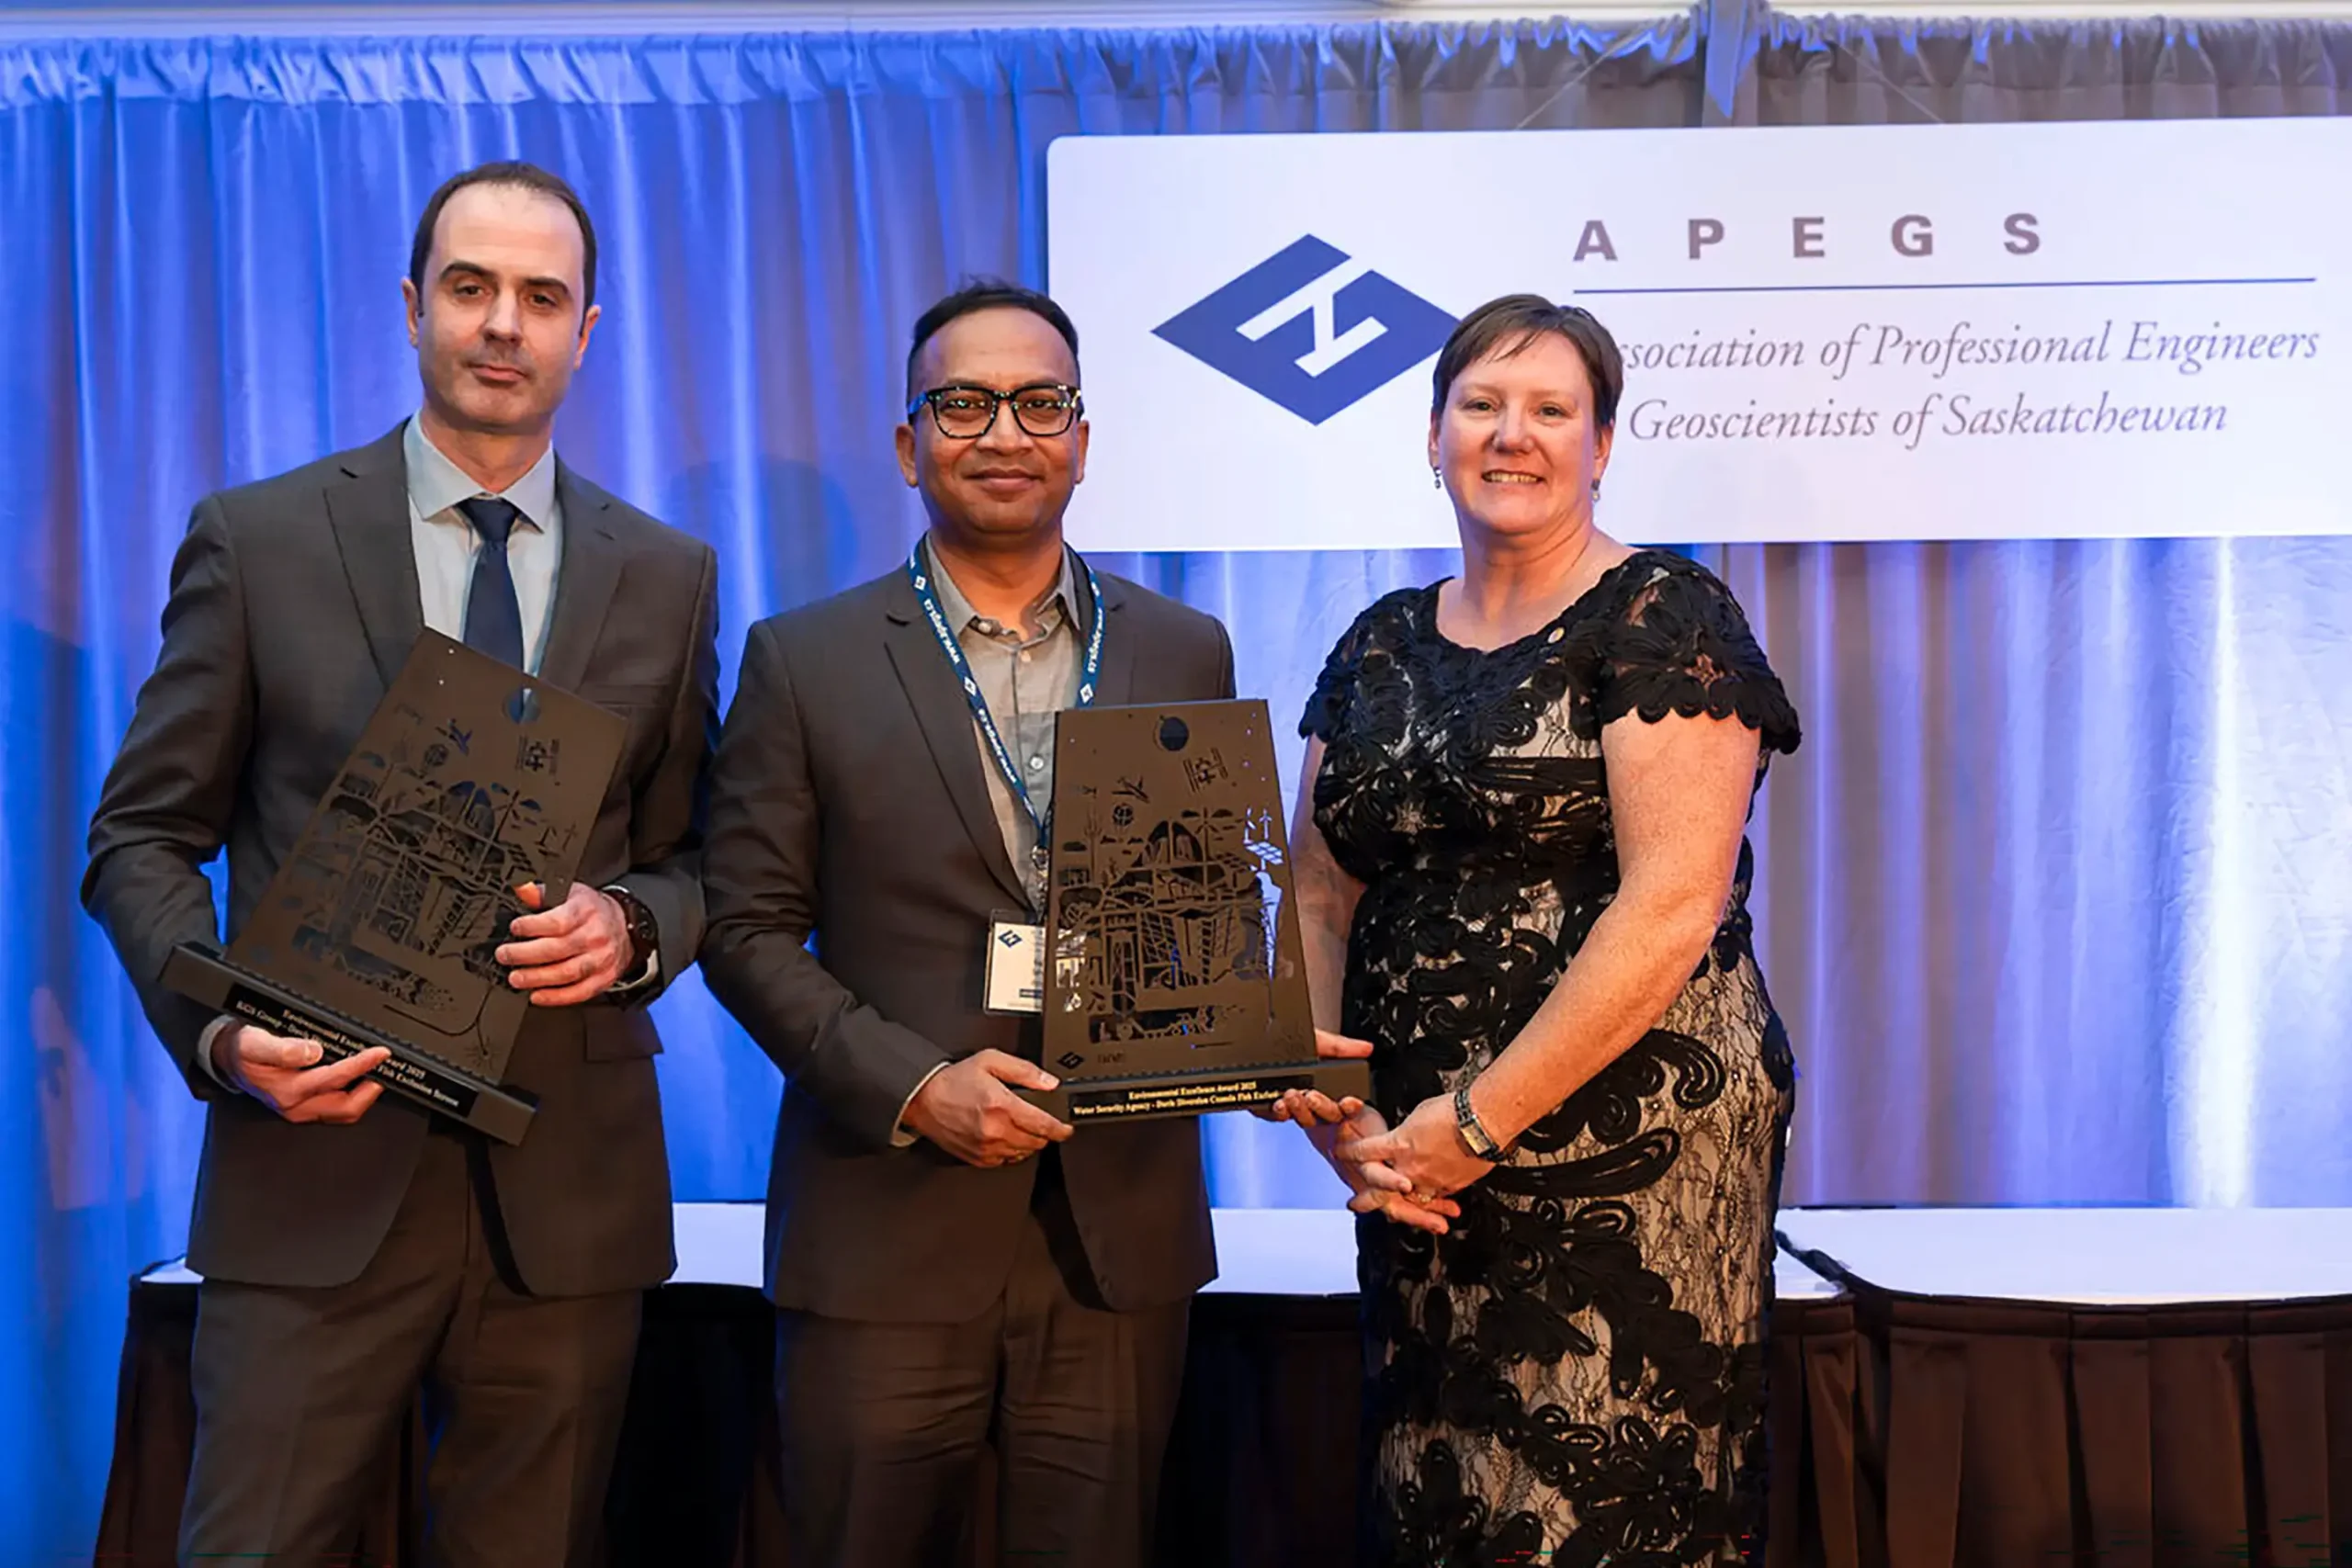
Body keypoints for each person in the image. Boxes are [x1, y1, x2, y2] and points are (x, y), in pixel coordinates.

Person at [83, 161, 719, 1567]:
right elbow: (139, 834)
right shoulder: (258, 540)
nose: (504, 323)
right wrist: (219, 1033)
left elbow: (697, 858)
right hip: (309, 1174)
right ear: (412, 308)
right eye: (471, 287)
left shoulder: (668, 573)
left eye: (540, 297)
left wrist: (633, 924)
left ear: (586, 332)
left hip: (568, 1195)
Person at [699, 280, 1293, 1568]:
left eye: (1039, 402)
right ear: (911, 443)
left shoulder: (1185, 645)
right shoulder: (803, 657)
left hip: (1114, 1234)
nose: (1004, 431)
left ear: (1083, 435)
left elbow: (1200, 912)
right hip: (884, 1226)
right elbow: (741, 929)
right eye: (963, 403)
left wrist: (1256, 1054)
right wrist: (912, 1083)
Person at [1272, 294, 1802, 1564]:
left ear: (1603, 444)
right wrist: (1326, 1097)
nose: (1514, 435)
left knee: (1598, 1510)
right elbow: (1317, 890)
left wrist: (1473, 1124)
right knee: (1435, 1496)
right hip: (1417, 1161)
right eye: (1482, 404)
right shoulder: (1379, 641)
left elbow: (1673, 905)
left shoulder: (1663, 612)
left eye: (1552, 410)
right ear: (1435, 432)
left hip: (1624, 1157)